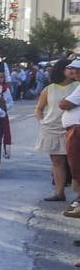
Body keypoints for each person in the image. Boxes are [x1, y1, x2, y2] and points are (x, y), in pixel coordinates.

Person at [36, 59, 77, 202]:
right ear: (61, 70)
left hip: (72, 129)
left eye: (75, 68)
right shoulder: (49, 88)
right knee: (57, 162)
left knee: (74, 162)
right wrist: (43, 122)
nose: (73, 71)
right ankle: (59, 192)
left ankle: (78, 196)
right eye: (69, 68)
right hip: (52, 128)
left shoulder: (77, 86)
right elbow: (39, 109)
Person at [59, 62, 80, 219]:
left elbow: (64, 104)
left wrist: (65, 100)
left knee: (77, 167)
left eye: (77, 69)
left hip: (77, 130)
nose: (74, 72)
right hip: (74, 129)